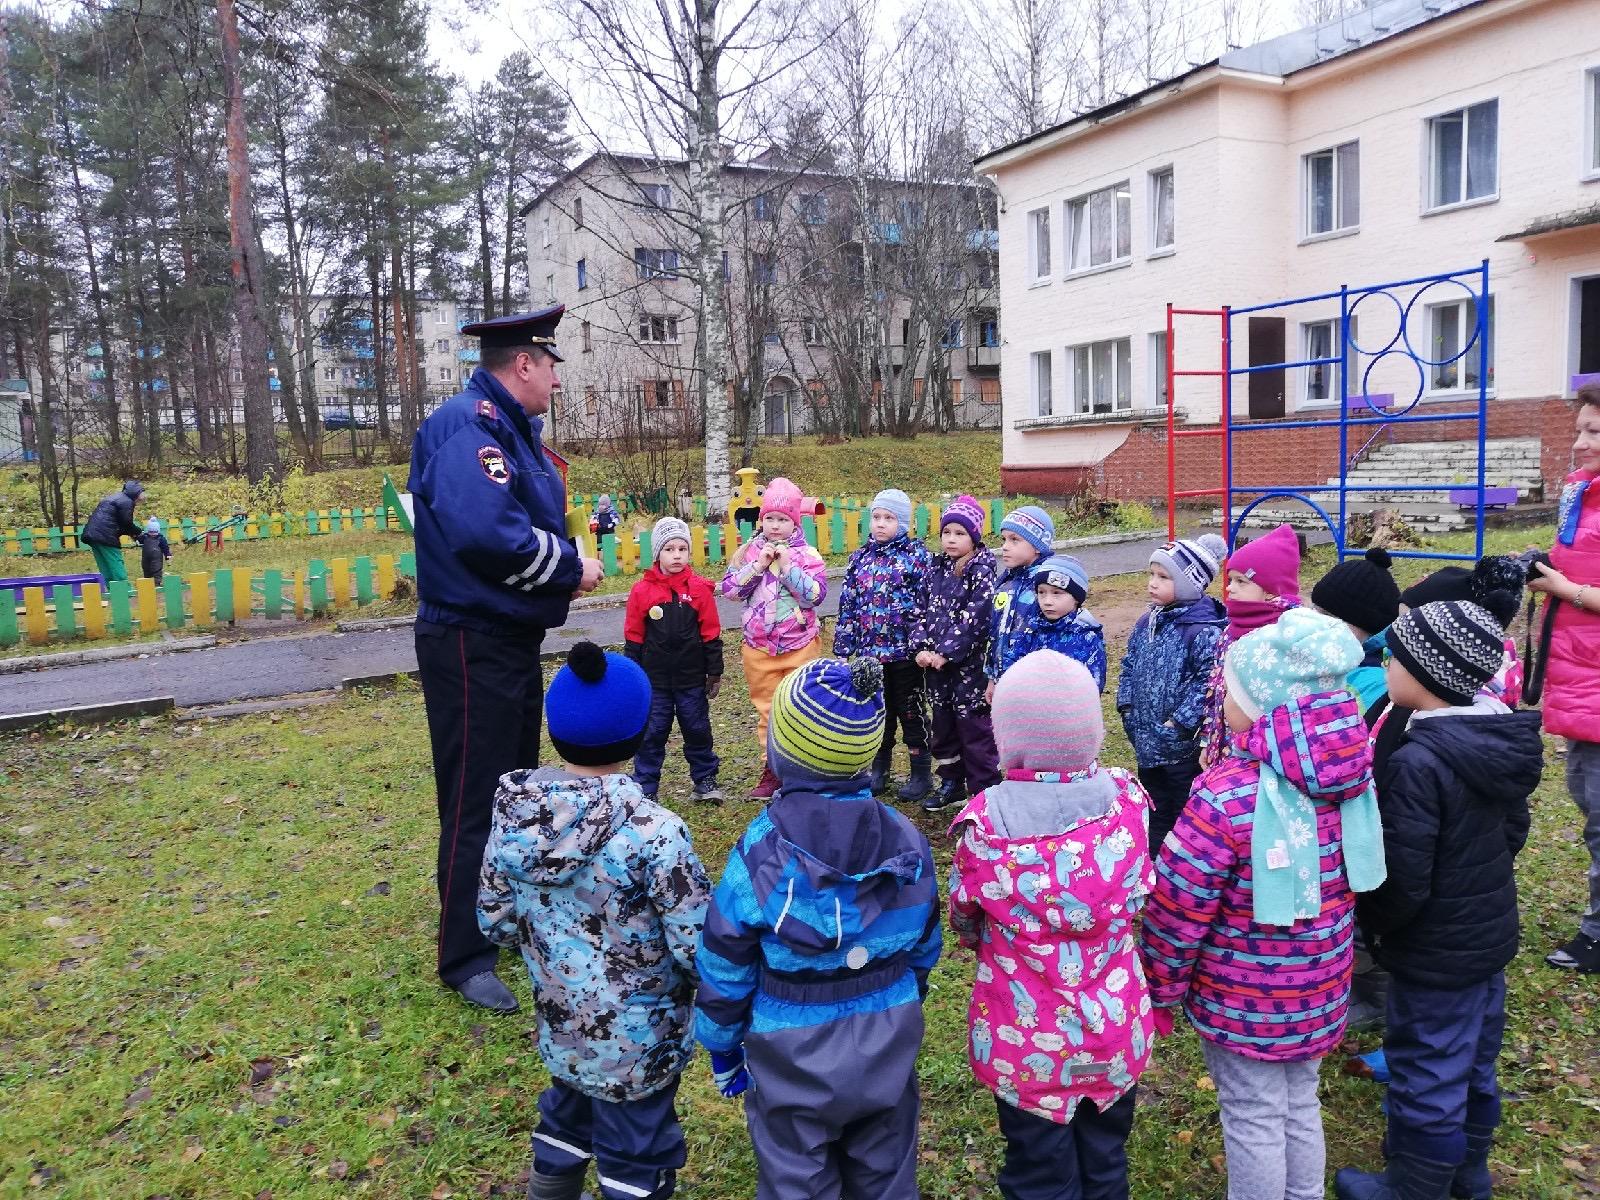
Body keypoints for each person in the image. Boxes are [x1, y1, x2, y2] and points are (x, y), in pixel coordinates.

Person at [1141, 609, 1387, 1200]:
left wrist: (1160, 988)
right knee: (1300, 1101)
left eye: (1230, 692)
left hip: (1241, 999)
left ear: (1262, 706)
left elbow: (1178, 906)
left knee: (1251, 1113)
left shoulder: (1226, 794)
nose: (1222, 702)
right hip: (1321, 985)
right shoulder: (1351, 773)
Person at [409, 305, 605, 1014]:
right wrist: (571, 569)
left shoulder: (506, 428)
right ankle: (465, 955)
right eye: (551, 364)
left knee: (512, 791)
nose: (556, 379)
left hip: (506, 637)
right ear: (523, 363)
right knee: (474, 799)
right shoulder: (470, 429)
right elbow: (490, 536)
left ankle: (506, 916)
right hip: (470, 638)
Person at [695, 656, 941, 1200]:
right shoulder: (907, 840)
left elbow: (724, 958)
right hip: (887, 1034)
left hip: (789, 1047)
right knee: (888, 1175)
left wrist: (720, 1043)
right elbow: (925, 938)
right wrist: (907, 991)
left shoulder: (758, 850)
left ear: (782, 753)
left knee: (794, 1177)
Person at [479, 642, 711, 1200]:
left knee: (565, 1113)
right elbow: (697, 943)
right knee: (637, 1148)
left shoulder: (515, 816)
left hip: (560, 1022)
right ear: (637, 731)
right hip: (642, 1041)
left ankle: (549, 1192)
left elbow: (494, 918)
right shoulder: (655, 832)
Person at [1334, 600, 1543, 1200]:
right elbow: (1513, 833)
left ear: (1426, 674)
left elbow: (1402, 878)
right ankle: (1469, 1172)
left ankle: (1413, 1185)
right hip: (1486, 936)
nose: (1385, 664)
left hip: (1433, 952)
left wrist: (1377, 928)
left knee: (1426, 1068)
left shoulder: (1418, 762)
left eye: (1393, 656)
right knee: (1475, 1058)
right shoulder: (1490, 739)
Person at [949, 650, 1156, 1200]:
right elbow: (1140, 893)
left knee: (1039, 1171)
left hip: (1026, 1044)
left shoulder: (985, 825)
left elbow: (965, 918)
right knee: (1106, 1159)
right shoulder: (1130, 806)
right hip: (1114, 1031)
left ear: (1006, 735)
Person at [1527, 382, 1600, 973]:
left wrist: (1565, 589)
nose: (1578, 443)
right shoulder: (1583, 495)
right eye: (1578, 430)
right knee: (1589, 798)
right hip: (1581, 679)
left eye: (1593, 433)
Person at [1116, 535, 1228, 853]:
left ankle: (1178, 863)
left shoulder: (1203, 630)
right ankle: (1152, 861)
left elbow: (1207, 681)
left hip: (1181, 745)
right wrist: (1126, 704)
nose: (1153, 583)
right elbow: (1129, 663)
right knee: (1153, 802)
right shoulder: (1146, 622)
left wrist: (1179, 723)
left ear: (1190, 583)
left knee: (1181, 809)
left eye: (1163, 577)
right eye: (1152, 574)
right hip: (1145, 738)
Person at [720, 477, 827, 801]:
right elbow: (730, 590)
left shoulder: (807, 554)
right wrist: (759, 565)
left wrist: (787, 567)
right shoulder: (750, 551)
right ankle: (773, 770)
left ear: (794, 521)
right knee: (768, 711)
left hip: (800, 645)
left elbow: (815, 595)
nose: (775, 526)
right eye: (770, 518)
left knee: (802, 707)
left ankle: (805, 770)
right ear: (762, 520)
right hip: (759, 648)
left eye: (782, 519)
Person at [832, 488, 936, 803]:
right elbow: (848, 602)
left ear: (903, 523)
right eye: (876, 517)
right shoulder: (859, 558)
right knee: (878, 713)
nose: (880, 524)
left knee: (910, 711)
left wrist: (924, 643)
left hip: (906, 653)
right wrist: (843, 644)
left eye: (888, 518)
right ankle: (879, 768)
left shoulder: (917, 557)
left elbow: (928, 602)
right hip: (869, 652)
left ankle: (920, 771)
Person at [625, 517, 724, 804]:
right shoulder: (642, 592)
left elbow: (710, 631)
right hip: (654, 680)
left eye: (682, 548)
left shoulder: (699, 590)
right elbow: (633, 634)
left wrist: (714, 671)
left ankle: (705, 780)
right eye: (670, 549)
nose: (677, 555)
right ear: (658, 554)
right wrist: (633, 674)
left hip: (691, 678)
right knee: (653, 731)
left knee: (696, 728)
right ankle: (645, 784)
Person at [912, 495, 1000, 814]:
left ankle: (984, 792)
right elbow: (918, 610)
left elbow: (977, 617)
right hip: (937, 671)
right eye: (947, 532)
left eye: (960, 533)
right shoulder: (935, 569)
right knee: (943, 727)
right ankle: (951, 782)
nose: (951, 539)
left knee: (974, 730)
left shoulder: (982, 570)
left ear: (974, 537)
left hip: (969, 670)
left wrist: (946, 652)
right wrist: (921, 647)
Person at [1197, 523, 1303, 770]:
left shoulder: (1285, 635)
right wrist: (1208, 741)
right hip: (1223, 746)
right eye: (1230, 579)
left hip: (1263, 756)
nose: (1229, 587)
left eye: (1241, 581)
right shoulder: (1230, 630)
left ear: (1270, 589)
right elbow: (1215, 690)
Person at [1310, 547, 1402, 722]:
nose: (1317, 623)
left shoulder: (1378, 680)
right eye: (1315, 611)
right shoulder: (1316, 651)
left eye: (1330, 617)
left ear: (1367, 626)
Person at [984, 505, 1055, 700]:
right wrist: (992, 677)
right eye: (1004, 539)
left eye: (1015, 540)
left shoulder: (1046, 586)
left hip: (1033, 684)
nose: (1005, 546)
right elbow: (995, 634)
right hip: (1004, 680)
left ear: (1038, 547)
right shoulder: (1005, 584)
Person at [1013, 554, 1106, 691]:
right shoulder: (1031, 630)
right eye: (1041, 592)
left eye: (1056, 593)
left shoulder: (1086, 638)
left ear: (1076, 598)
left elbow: (1092, 686)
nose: (1047, 601)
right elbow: (1013, 667)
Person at [81, 481, 145, 584]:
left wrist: (132, 533)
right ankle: (123, 589)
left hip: (92, 533)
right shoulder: (126, 501)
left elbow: (116, 523)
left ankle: (112, 590)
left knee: (104, 564)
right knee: (115, 561)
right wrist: (138, 532)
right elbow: (126, 522)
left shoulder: (115, 498)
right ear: (137, 493)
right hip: (105, 535)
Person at [136, 518, 171, 585]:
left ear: (158, 531)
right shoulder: (145, 537)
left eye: (154, 532)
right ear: (148, 531)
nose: (153, 534)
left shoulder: (161, 539)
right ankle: (148, 583)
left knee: (157, 569)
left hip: (156, 558)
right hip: (146, 558)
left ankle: (157, 583)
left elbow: (165, 548)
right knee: (146, 569)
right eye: (151, 532)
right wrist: (136, 537)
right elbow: (138, 539)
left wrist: (168, 556)